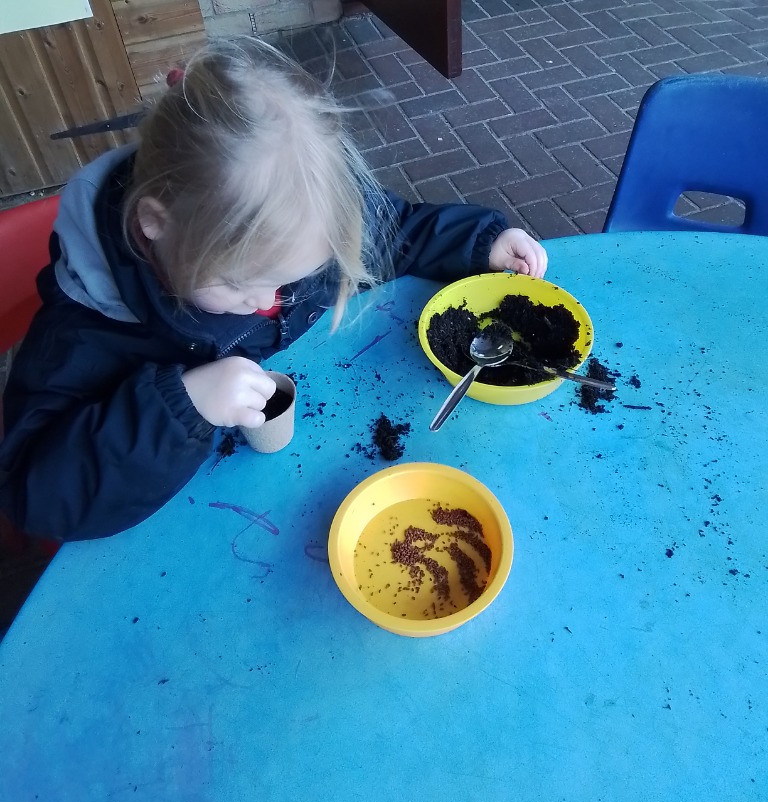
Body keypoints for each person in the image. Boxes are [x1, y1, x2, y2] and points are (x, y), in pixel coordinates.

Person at [0, 39, 547, 543]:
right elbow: (33, 491)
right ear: (155, 225)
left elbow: (393, 228)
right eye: (242, 283)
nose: (271, 301)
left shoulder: (302, 222)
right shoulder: (86, 329)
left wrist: (481, 242)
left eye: (294, 278)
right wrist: (179, 406)